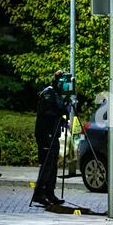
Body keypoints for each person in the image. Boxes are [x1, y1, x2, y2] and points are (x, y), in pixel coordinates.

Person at [33, 70, 70, 206]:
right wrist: (62, 108)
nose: (65, 86)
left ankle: (50, 192)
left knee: (53, 163)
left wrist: (67, 105)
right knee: (47, 163)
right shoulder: (48, 93)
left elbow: (64, 112)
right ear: (57, 81)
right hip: (45, 133)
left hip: (53, 133)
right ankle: (39, 193)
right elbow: (49, 113)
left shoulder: (58, 94)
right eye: (63, 82)